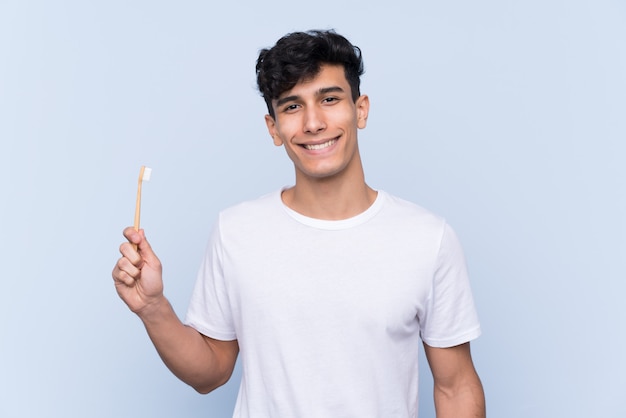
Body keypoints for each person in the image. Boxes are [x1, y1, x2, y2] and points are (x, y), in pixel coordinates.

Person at [113, 29, 486, 417]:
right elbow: (209, 374)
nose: (313, 122)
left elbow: (456, 386)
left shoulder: (427, 238)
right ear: (273, 128)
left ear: (361, 109)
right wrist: (153, 308)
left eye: (329, 99)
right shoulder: (236, 231)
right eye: (292, 107)